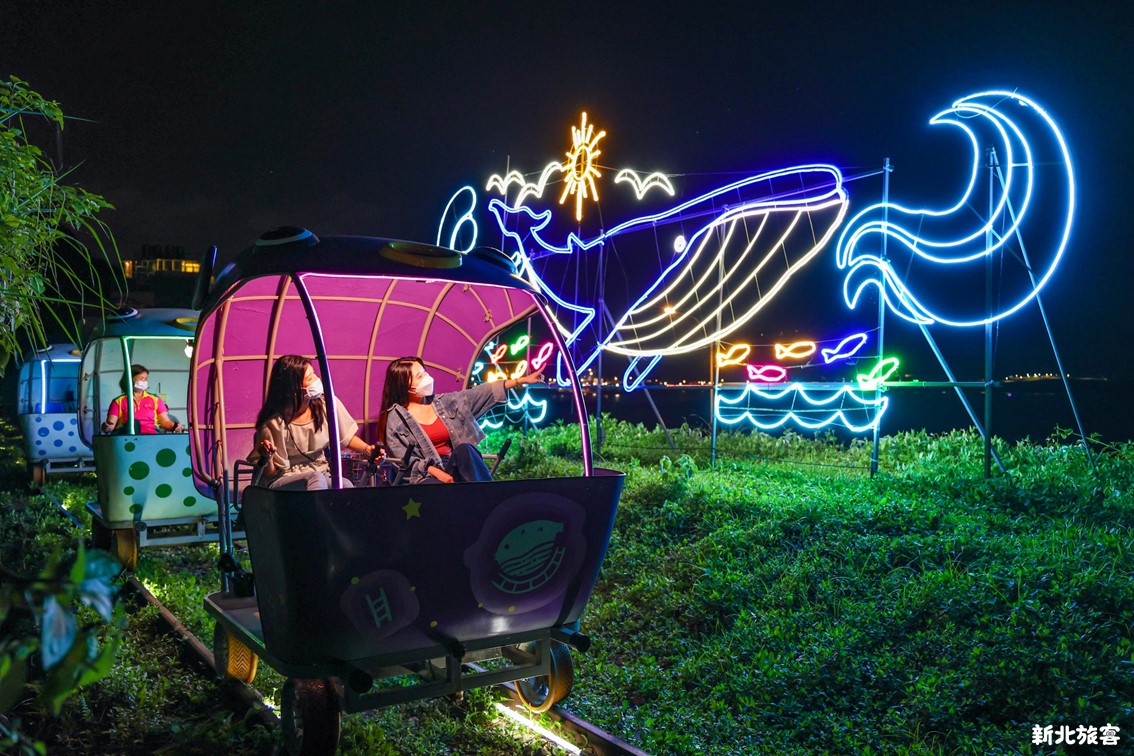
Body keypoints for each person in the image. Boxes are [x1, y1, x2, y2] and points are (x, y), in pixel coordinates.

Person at [377, 356, 543, 484]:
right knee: (435, 488)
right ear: (405, 384)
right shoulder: (395, 419)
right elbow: (403, 462)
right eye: (420, 376)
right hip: (424, 475)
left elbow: (480, 393)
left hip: (455, 464)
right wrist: (436, 472)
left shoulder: (443, 403)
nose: (427, 377)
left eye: (425, 372)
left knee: (465, 449)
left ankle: (494, 501)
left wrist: (520, 381)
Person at [248, 355, 377, 491]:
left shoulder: (326, 406)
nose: (316, 380)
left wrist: (368, 450)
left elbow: (345, 437)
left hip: (320, 474)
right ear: (294, 388)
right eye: (310, 378)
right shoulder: (273, 423)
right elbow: (269, 474)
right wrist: (266, 457)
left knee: (345, 485)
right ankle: (314, 512)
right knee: (315, 478)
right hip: (283, 480)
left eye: (314, 374)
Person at [102, 364, 183, 434]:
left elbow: (165, 422)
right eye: (141, 378)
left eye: (146, 379)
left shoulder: (156, 399)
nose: (144, 381)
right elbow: (110, 425)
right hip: (127, 440)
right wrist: (107, 427)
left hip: (151, 438)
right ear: (130, 380)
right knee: (134, 423)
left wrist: (174, 426)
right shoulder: (118, 401)